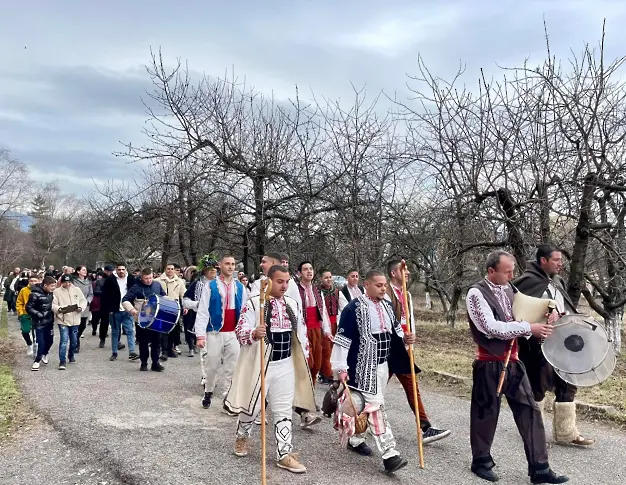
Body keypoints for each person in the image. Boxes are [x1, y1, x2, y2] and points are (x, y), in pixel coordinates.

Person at [466, 250, 568, 484]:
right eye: (507, 272)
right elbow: (490, 328)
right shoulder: (476, 293)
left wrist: (549, 315)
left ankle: (540, 468)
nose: (512, 276)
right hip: (488, 363)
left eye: (513, 271)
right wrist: (527, 328)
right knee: (486, 413)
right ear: (491, 271)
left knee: (530, 412)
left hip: (513, 362)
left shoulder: (510, 289)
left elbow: (530, 309)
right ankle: (481, 461)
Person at [227, 265, 315, 474]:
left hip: (285, 364)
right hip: (260, 364)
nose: (284, 286)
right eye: (279, 282)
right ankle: (242, 436)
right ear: (268, 281)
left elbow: (301, 332)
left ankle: (284, 454)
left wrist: (305, 358)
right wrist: (253, 333)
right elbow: (240, 332)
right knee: (253, 405)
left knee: (283, 409)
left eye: (287, 282)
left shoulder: (293, 304)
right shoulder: (255, 304)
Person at [330, 270, 414, 474]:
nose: (383, 288)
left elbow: (396, 330)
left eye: (384, 284)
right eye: (378, 285)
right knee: (377, 406)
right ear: (366, 285)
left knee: (371, 404)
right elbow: (342, 340)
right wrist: (340, 368)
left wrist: (406, 338)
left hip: (383, 364)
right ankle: (390, 453)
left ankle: (356, 439)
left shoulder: (387, 305)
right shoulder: (353, 309)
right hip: (363, 365)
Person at [513, 245, 594, 447]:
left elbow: (563, 306)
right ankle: (534, 432)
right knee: (538, 386)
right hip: (536, 344)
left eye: (560, 260)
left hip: (561, 341)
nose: (561, 264)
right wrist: (540, 319)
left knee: (568, 382)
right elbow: (516, 313)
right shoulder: (527, 282)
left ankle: (567, 433)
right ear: (543, 261)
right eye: (556, 260)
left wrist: (566, 316)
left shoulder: (557, 281)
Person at [385, 260, 451, 444]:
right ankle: (357, 425)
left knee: (412, 386)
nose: (407, 273)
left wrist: (411, 340)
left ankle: (426, 427)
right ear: (393, 273)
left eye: (407, 270)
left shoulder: (406, 294)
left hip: (404, 348)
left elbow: (410, 320)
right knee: (375, 389)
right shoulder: (385, 292)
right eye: (402, 270)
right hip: (388, 348)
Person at [195, 254, 248, 413]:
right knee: (212, 365)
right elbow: (203, 311)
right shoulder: (210, 286)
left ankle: (228, 398)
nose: (231, 267)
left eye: (233, 264)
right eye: (227, 264)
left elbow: (245, 310)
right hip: (215, 332)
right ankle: (209, 390)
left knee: (232, 367)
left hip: (233, 332)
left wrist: (245, 330)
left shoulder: (240, 287)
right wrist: (200, 335)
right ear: (220, 265)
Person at [183, 255, 219, 384]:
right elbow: (185, 301)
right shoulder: (197, 284)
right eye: (210, 269)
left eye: (215, 269)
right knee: (204, 351)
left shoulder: (221, 284)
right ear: (204, 270)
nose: (213, 271)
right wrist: (198, 305)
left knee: (218, 354)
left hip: (219, 323)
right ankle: (206, 377)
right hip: (202, 323)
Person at [122, 268, 166, 372]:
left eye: (150, 278)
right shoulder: (136, 287)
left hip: (156, 319)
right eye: (146, 278)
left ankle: (155, 363)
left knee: (157, 342)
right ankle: (144, 363)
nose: (149, 280)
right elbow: (125, 299)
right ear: (141, 277)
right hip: (142, 320)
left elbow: (164, 297)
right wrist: (132, 310)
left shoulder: (157, 285)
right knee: (143, 342)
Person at [103, 264, 139, 362]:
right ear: (116, 270)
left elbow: (136, 293)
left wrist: (134, 307)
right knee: (115, 332)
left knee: (130, 331)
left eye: (123, 269)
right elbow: (105, 296)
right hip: (115, 310)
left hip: (128, 309)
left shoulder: (131, 279)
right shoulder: (110, 280)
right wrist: (109, 310)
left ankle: (132, 352)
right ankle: (114, 352)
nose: (121, 271)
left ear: (126, 270)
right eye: (119, 269)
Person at [52, 274, 87, 370]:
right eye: (65, 282)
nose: (67, 284)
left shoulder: (77, 290)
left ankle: (71, 355)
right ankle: (62, 361)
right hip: (63, 319)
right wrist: (59, 309)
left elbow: (83, 301)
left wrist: (80, 308)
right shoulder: (56, 292)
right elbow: (53, 304)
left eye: (69, 282)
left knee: (74, 341)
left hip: (75, 319)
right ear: (61, 282)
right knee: (64, 340)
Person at [26, 276, 57, 371]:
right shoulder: (34, 294)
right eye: (52, 286)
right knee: (41, 342)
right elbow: (28, 307)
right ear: (45, 285)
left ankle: (45, 353)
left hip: (49, 322)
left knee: (50, 341)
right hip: (39, 323)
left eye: (54, 286)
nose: (53, 288)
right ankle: (37, 360)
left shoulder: (51, 294)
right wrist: (38, 314)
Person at [157, 262, 187, 359]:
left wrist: (185, 306)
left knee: (174, 331)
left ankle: (171, 349)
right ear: (165, 269)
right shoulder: (158, 281)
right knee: (164, 330)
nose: (170, 271)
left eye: (172, 269)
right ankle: (164, 351)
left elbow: (183, 295)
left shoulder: (179, 281)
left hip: (175, 308)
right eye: (168, 269)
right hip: (162, 307)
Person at [319, 269, 340, 384]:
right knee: (326, 350)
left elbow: (341, 307)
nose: (328, 279)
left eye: (330, 277)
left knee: (333, 349)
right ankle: (328, 374)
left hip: (335, 322)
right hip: (324, 323)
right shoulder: (318, 291)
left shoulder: (336, 291)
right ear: (321, 279)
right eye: (326, 277)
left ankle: (325, 372)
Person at [17, 274, 39, 356]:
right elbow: (19, 302)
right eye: (31, 281)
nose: (33, 282)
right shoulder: (24, 290)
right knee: (25, 331)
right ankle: (29, 344)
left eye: (35, 281)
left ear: (38, 281)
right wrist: (20, 312)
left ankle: (36, 347)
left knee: (36, 333)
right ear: (29, 281)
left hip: (36, 314)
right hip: (25, 314)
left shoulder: (40, 290)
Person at [72, 265, 93, 351]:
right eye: (83, 270)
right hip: (75, 305)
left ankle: (76, 337)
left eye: (86, 270)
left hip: (85, 306)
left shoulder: (88, 281)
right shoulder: (73, 281)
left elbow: (91, 293)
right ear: (78, 271)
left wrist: (88, 301)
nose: (85, 271)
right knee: (76, 325)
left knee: (83, 325)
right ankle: (76, 343)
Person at [90, 271, 106, 336]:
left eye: (101, 276)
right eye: (98, 275)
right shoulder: (93, 283)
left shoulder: (105, 282)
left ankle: (103, 332)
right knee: (95, 318)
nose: (99, 277)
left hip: (102, 302)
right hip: (95, 302)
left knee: (103, 318)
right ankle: (94, 329)